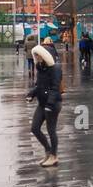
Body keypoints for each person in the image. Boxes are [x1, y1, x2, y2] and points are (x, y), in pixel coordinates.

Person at [26, 35, 63, 167]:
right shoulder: (40, 68)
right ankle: (48, 150)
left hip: (52, 104)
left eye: (37, 56)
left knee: (51, 130)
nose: (36, 58)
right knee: (35, 128)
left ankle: (54, 156)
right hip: (42, 103)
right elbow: (39, 86)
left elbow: (55, 88)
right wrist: (31, 94)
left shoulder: (55, 69)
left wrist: (50, 104)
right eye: (35, 56)